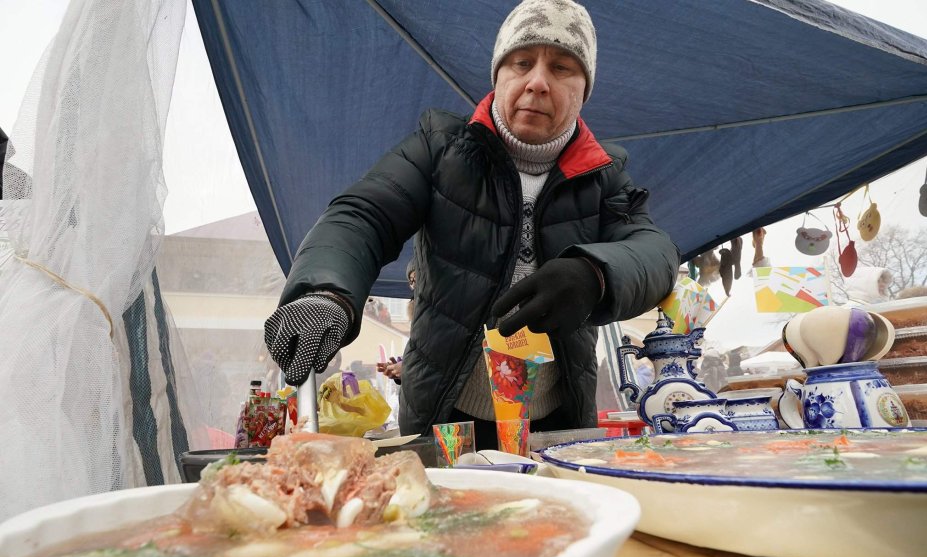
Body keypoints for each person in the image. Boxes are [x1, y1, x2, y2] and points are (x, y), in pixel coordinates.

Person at [264, 0, 679, 450]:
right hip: (447, 422)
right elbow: (365, 213)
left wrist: (595, 273)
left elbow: (655, 251)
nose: (537, 82)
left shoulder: (605, 173)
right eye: (522, 63)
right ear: (498, 75)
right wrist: (325, 292)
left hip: (555, 427)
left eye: (562, 68)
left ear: (584, 90)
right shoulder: (441, 148)